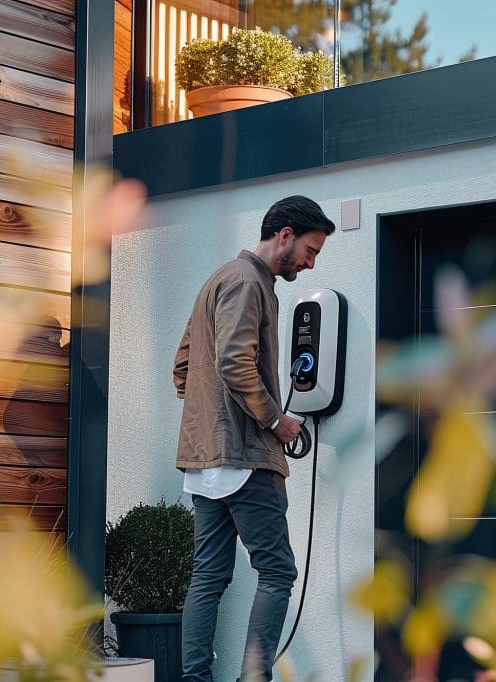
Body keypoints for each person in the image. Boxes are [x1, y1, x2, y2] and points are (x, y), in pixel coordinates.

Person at [173, 196, 336, 681]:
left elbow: (184, 368)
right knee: (278, 571)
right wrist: (275, 422)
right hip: (245, 457)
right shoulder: (249, 283)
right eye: (310, 250)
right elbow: (234, 363)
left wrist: (211, 418)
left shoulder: (220, 279)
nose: (310, 262)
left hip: (205, 460)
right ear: (284, 235)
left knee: (208, 576)